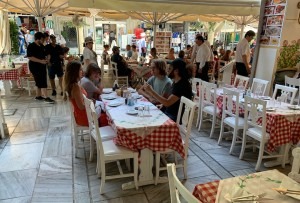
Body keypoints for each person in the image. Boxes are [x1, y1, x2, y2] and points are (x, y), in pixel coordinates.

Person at [64, 61, 107, 127]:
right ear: (75, 72)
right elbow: (81, 107)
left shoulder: (74, 84)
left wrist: (90, 101)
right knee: (107, 115)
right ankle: (100, 134)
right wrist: (91, 102)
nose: (82, 71)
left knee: (103, 108)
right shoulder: (75, 87)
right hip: (85, 118)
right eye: (80, 69)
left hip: (82, 115)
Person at [27, 32, 55, 103]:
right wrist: (40, 61)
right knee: (41, 80)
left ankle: (38, 96)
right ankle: (46, 97)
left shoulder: (41, 46)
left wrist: (48, 59)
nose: (43, 41)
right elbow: (30, 57)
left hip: (42, 65)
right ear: (38, 39)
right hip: (34, 66)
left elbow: (47, 53)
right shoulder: (31, 46)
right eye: (42, 39)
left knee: (39, 81)